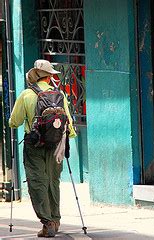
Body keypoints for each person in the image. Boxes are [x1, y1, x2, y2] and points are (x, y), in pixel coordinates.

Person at [9, 59, 76, 237]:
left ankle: (47, 223)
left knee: (37, 181)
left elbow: (14, 122)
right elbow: (68, 124)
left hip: (34, 145)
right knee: (53, 181)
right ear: (48, 77)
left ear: (35, 76)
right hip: (56, 145)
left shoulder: (26, 95)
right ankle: (56, 219)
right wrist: (65, 140)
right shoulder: (59, 94)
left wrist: (14, 122)